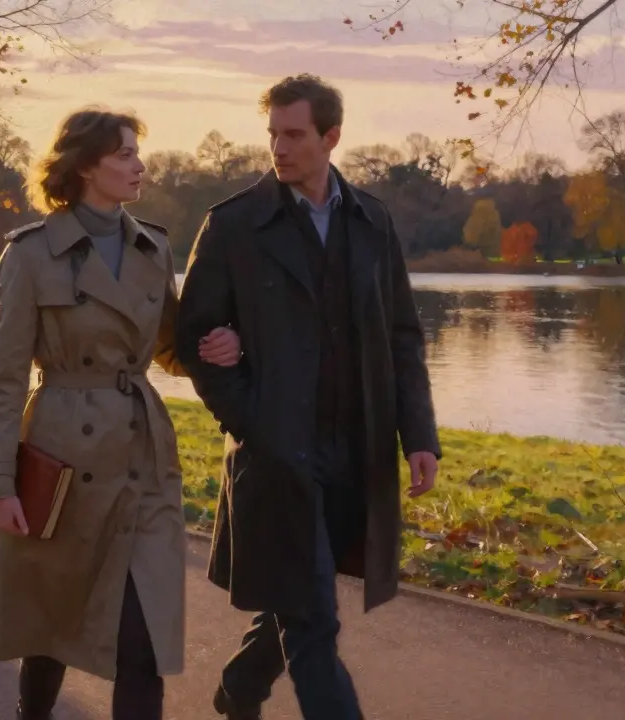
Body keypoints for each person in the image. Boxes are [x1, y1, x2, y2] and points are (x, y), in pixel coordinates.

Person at [174, 74, 443, 720]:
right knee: (315, 624)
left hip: (357, 453)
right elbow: (195, 342)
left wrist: (420, 436)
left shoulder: (372, 221)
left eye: (293, 135)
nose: (279, 147)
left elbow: (403, 336)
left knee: (304, 597)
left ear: (331, 137)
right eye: (272, 134)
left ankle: (239, 687)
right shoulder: (234, 226)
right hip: (276, 457)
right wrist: (251, 422)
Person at [0, 107, 242, 720]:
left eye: (136, 153)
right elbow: (2, 378)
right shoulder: (31, 255)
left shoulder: (153, 247)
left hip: (142, 458)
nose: (139, 165)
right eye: (124, 154)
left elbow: (168, 349)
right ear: (86, 165)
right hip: (62, 459)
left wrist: (220, 344)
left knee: (142, 643)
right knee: (51, 626)